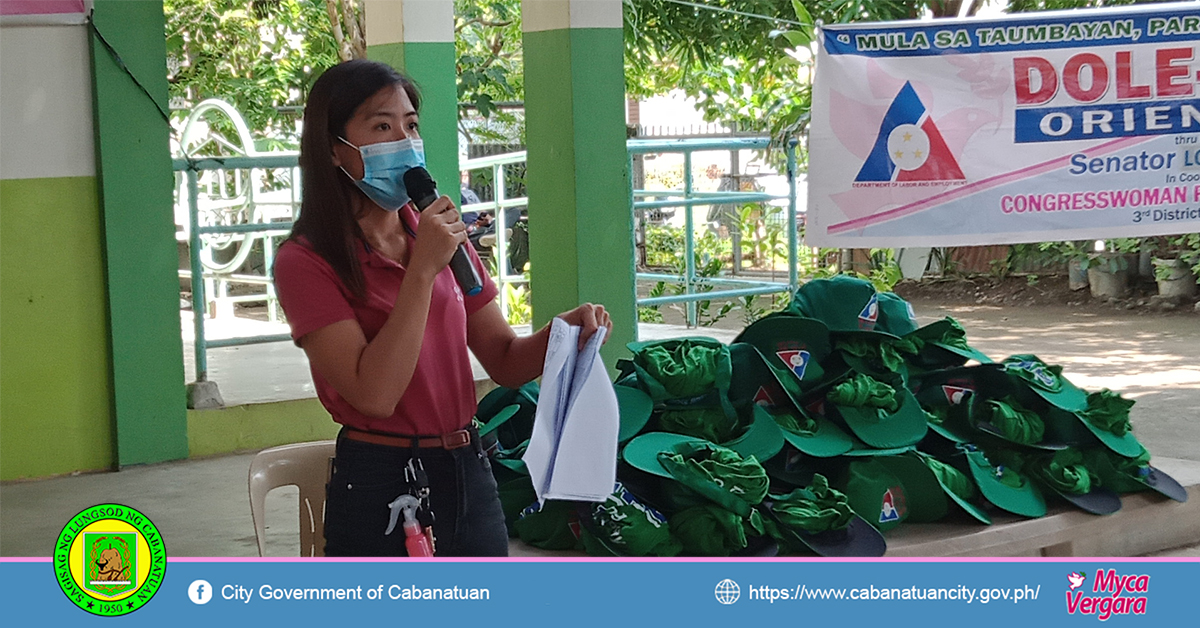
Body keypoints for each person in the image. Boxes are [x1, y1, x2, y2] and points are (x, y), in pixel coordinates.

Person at [272, 59, 612, 557]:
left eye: (410, 125)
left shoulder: (434, 231)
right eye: (381, 126)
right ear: (333, 149)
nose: (403, 141)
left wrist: (562, 335)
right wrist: (422, 272)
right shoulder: (305, 261)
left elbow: (504, 358)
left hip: (467, 465)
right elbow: (375, 394)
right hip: (381, 479)